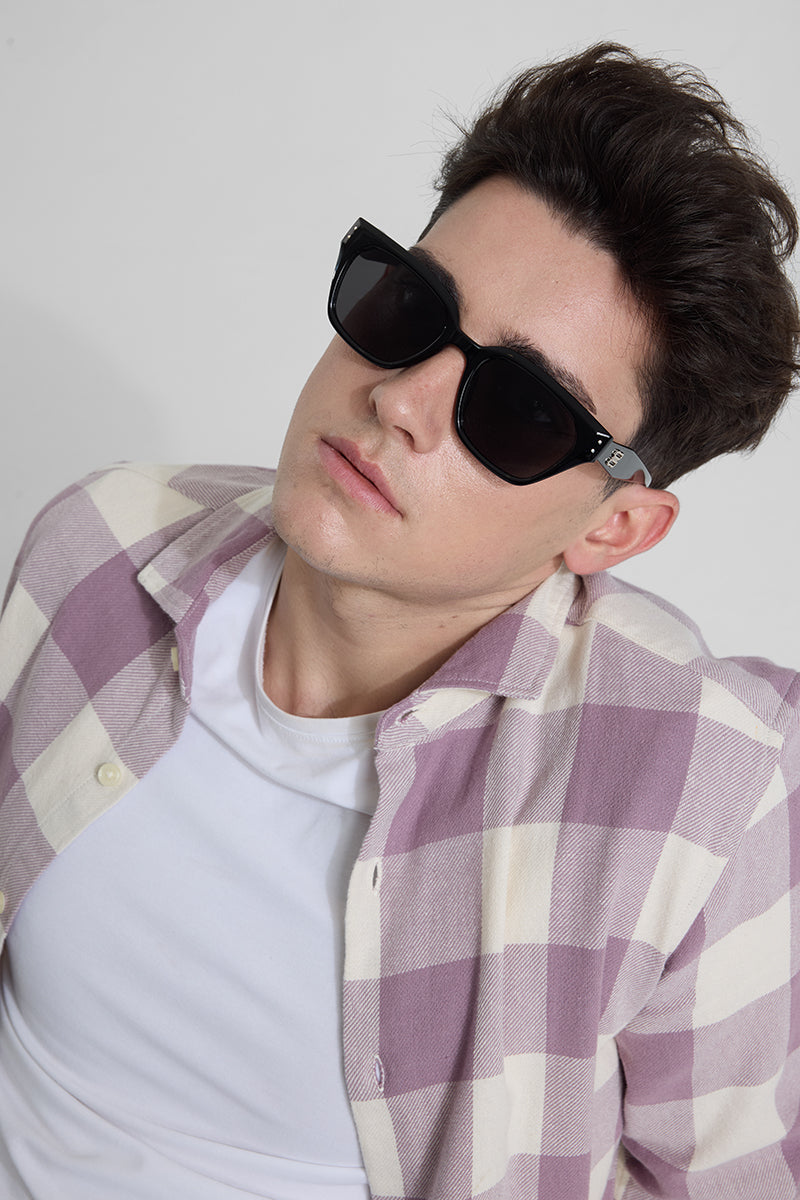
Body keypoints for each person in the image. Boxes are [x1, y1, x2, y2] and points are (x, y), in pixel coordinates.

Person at [0, 41, 798, 1200]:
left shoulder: (697, 794)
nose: (400, 399)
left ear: (613, 529)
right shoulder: (101, 545)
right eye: (407, 307)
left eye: (518, 409)